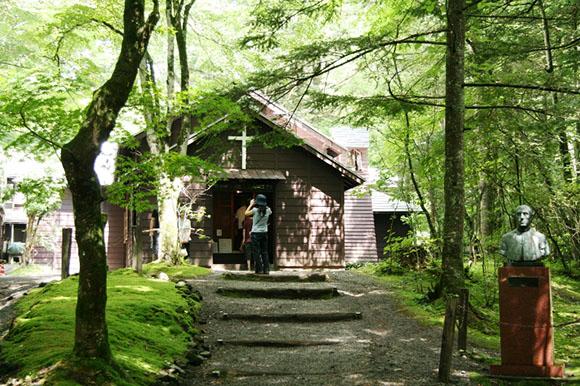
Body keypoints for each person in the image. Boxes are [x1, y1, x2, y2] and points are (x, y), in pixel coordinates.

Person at [245, 194, 272, 274]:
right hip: (264, 233)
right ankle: (266, 269)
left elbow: (246, 213)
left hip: (255, 233)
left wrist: (251, 204)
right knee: (264, 251)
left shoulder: (255, 210)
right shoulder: (268, 210)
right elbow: (268, 211)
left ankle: (259, 270)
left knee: (256, 252)